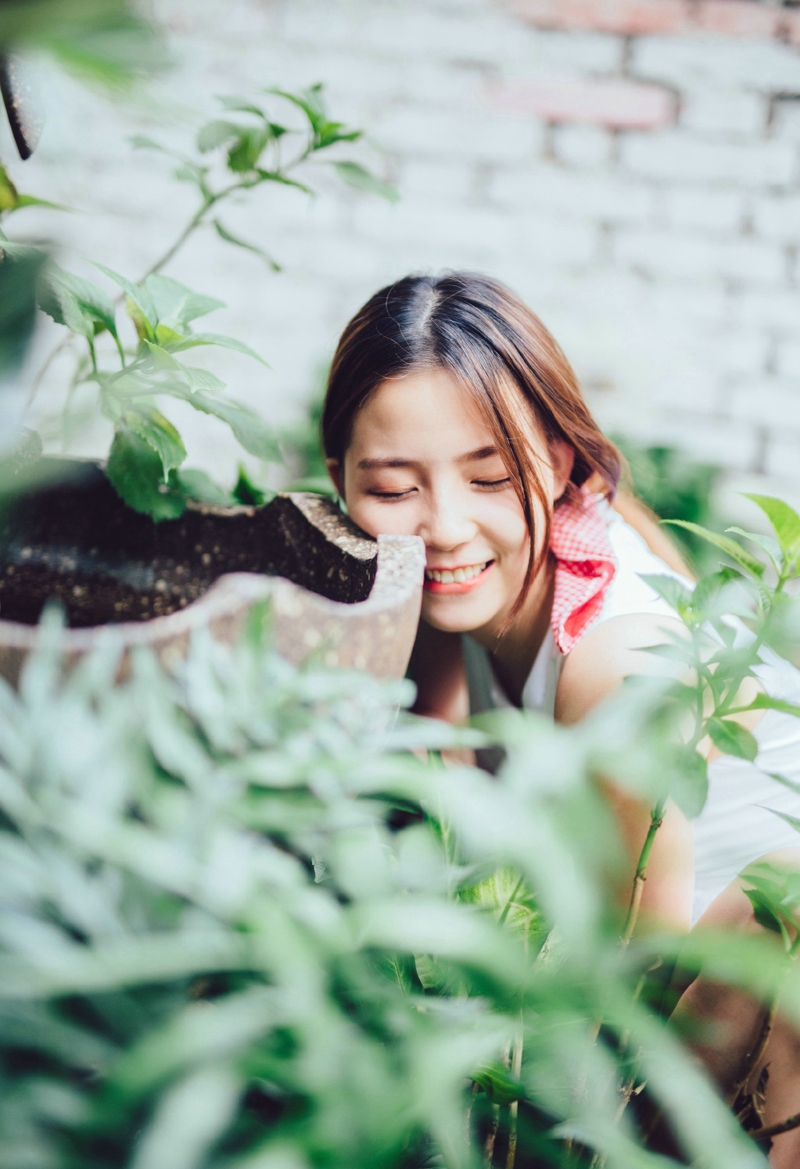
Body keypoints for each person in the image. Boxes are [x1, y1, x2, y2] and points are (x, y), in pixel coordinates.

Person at [321, 271, 800, 1163]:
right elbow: (430, 774)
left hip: (752, 970)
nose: (446, 528)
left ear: (563, 461)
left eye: (490, 478)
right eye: (393, 488)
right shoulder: (449, 588)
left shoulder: (616, 663)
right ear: (337, 479)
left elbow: (629, 989)